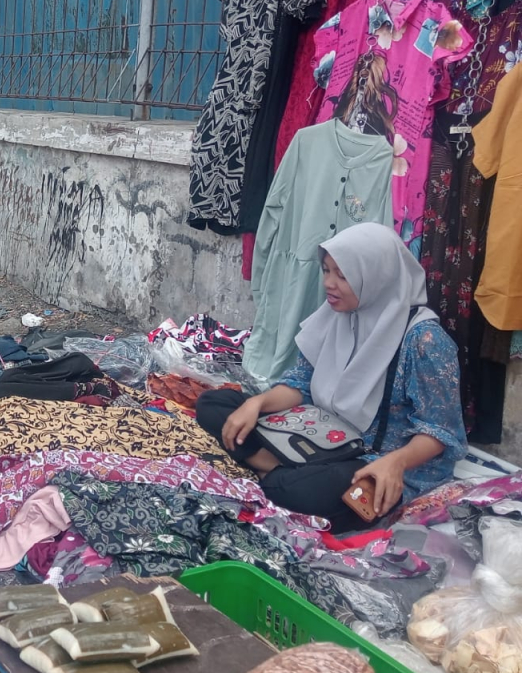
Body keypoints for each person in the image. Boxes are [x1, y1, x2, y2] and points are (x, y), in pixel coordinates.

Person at [197, 222, 467, 531]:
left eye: (343, 275)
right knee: (213, 403)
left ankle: (274, 472)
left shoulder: (424, 340)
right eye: (326, 270)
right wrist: (257, 403)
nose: (329, 283)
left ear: (376, 277)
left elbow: (440, 431)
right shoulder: (337, 314)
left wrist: (396, 462)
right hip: (319, 434)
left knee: (294, 492)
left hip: (378, 461)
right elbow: (302, 385)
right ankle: (273, 467)